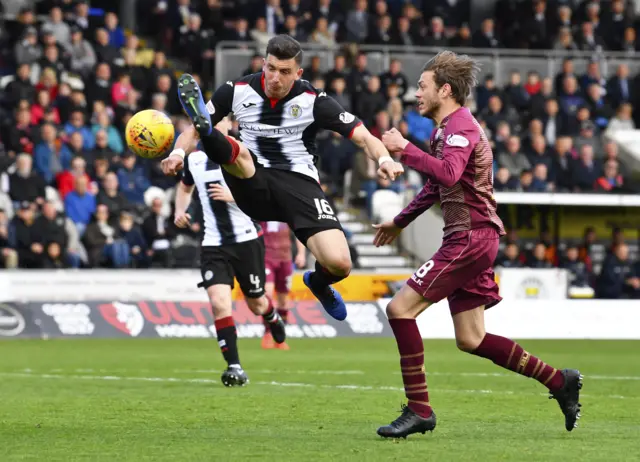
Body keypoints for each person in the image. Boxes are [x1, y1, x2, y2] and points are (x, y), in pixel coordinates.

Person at [373, 51, 582, 439]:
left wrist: (404, 148)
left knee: (399, 309)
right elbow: (439, 185)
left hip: (470, 239)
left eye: (422, 86)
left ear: (445, 90)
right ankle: (559, 381)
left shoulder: (461, 126)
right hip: (470, 238)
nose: (416, 93)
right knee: (471, 338)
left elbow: (449, 171)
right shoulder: (443, 131)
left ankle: (420, 410)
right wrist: (399, 222)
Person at [161, 34, 404, 322]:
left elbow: (363, 136)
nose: (275, 77)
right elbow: (190, 132)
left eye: (285, 72)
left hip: (298, 182)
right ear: (264, 64)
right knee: (235, 151)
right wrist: (178, 153)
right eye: (271, 68)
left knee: (340, 264)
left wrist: (385, 159)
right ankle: (209, 129)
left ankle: (318, 282)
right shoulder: (236, 90)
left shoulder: (314, 100)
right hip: (253, 178)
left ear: (298, 73)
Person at [173, 119, 286, 387]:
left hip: (246, 241)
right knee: (219, 303)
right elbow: (185, 188)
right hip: (213, 243)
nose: (211, 124)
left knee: (256, 303)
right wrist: (180, 211)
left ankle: (271, 314)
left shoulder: (245, 152)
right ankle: (234, 366)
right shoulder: (194, 160)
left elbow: (267, 194)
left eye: (219, 118)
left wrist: (235, 196)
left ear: (231, 124)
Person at [260, 221, 306, 350]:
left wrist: (301, 254)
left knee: (283, 300)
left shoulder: (286, 210)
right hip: (266, 257)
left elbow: (298, 232)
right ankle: (268, 333)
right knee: (267, 294)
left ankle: (280, 337)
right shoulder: (261, 210)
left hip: (285, 258)